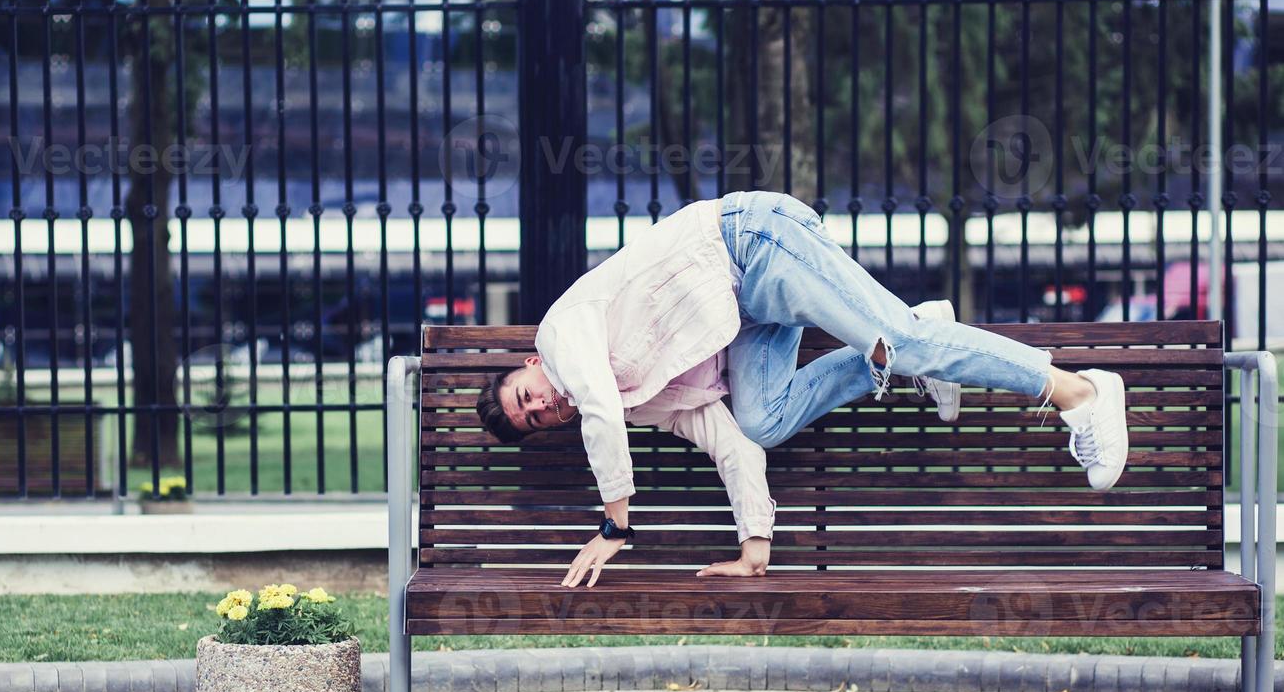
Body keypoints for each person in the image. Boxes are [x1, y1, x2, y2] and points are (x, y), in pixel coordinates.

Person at [475, 191, 1128, 589]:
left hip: (753, 243)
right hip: (751, 310)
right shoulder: (635, 400)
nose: (539, 405)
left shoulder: (563, 334)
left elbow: (594, 409)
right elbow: (733, 446)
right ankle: (924, 328)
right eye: (534, 420)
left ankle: (1077, 392)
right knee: (759, 419)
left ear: (531, 362)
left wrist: (615, 528)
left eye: (525, 395)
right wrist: (754, 549)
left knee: (902, 341)